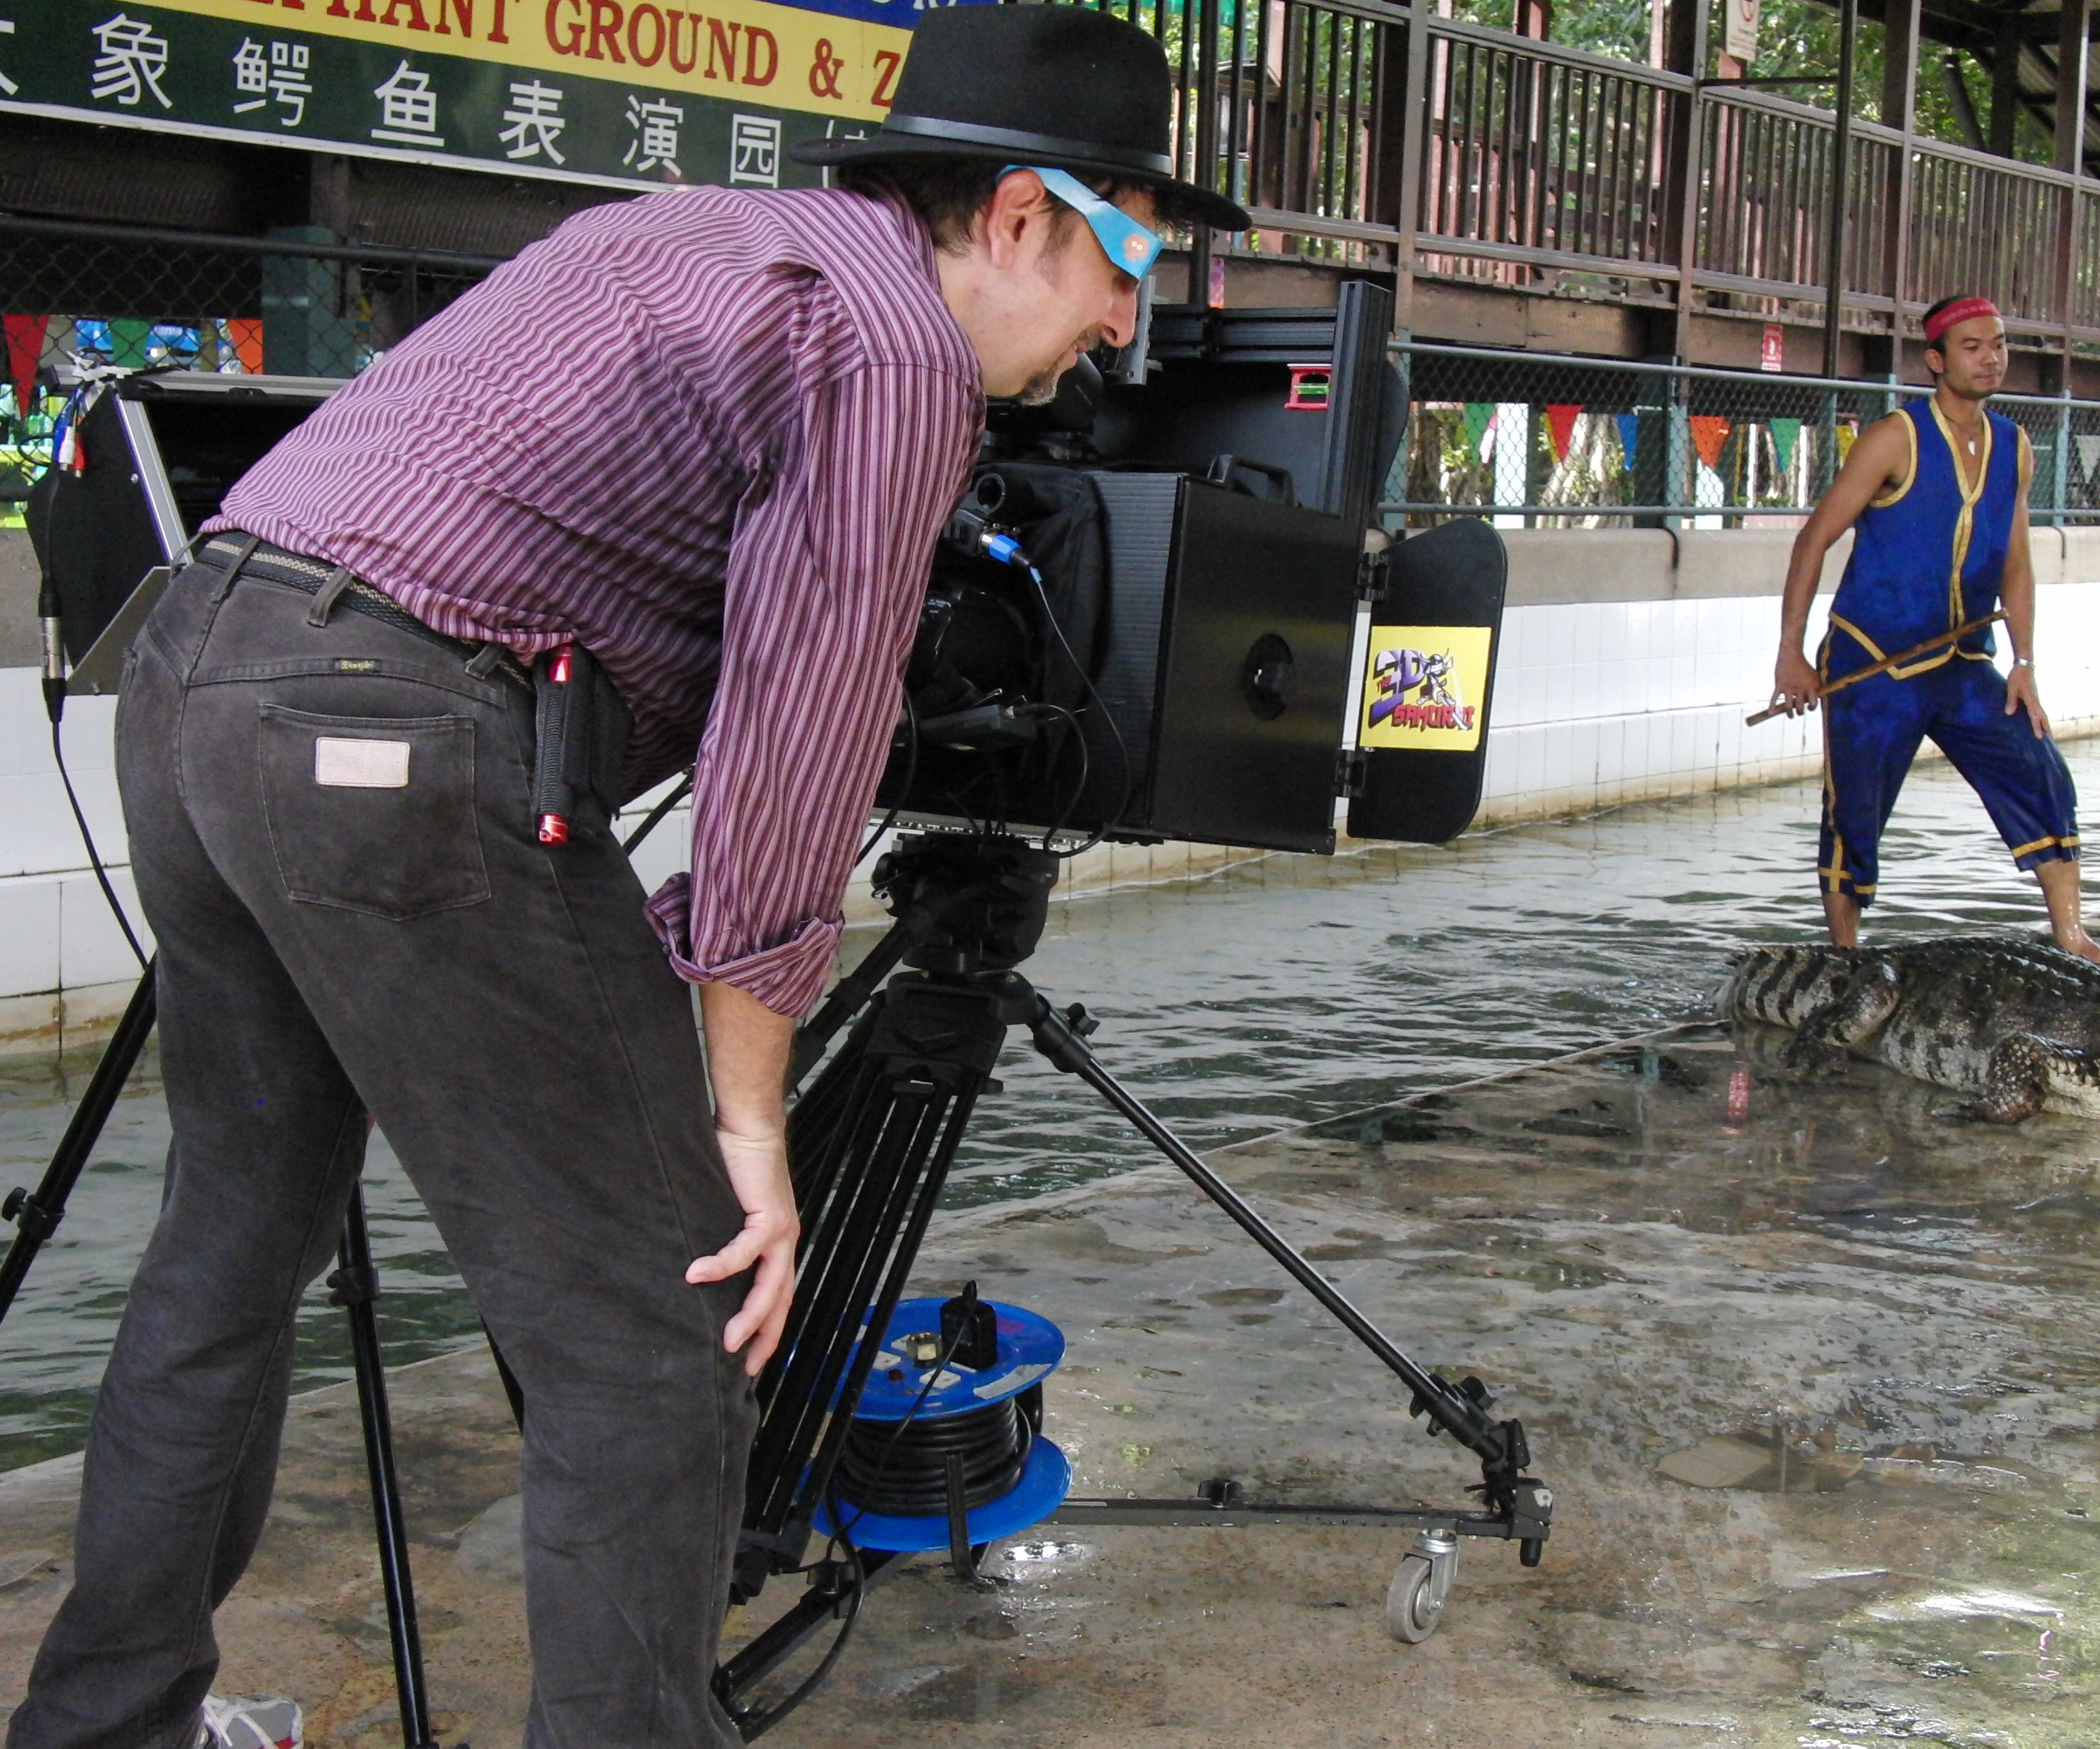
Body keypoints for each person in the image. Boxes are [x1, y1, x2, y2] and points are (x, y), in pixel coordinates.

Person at [8, 9, 1246, 1747]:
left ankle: (106, 1726)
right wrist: (747, 1127)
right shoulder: (896, 349)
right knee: (664, 1340)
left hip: (199, 667)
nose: (1132, 315)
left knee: (225, 1252)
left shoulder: (683, 231)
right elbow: (789, 758)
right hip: (401, 734)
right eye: (1132, 251)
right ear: (1023, 216)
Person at [1768, 292, 2100, 976]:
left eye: (1998, 344)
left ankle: (2072, 934)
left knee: (2039, 767)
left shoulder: (2015, 446)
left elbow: (2017, 563)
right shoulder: (1895, 437)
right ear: (1937, 361)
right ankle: (1847, 959)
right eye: (1972, 346)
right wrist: (1790, 653)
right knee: (1855, 810)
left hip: (1964, 660)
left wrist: (2025, 662)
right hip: (1874, 658)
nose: (1990, 357)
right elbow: (1814, 539)